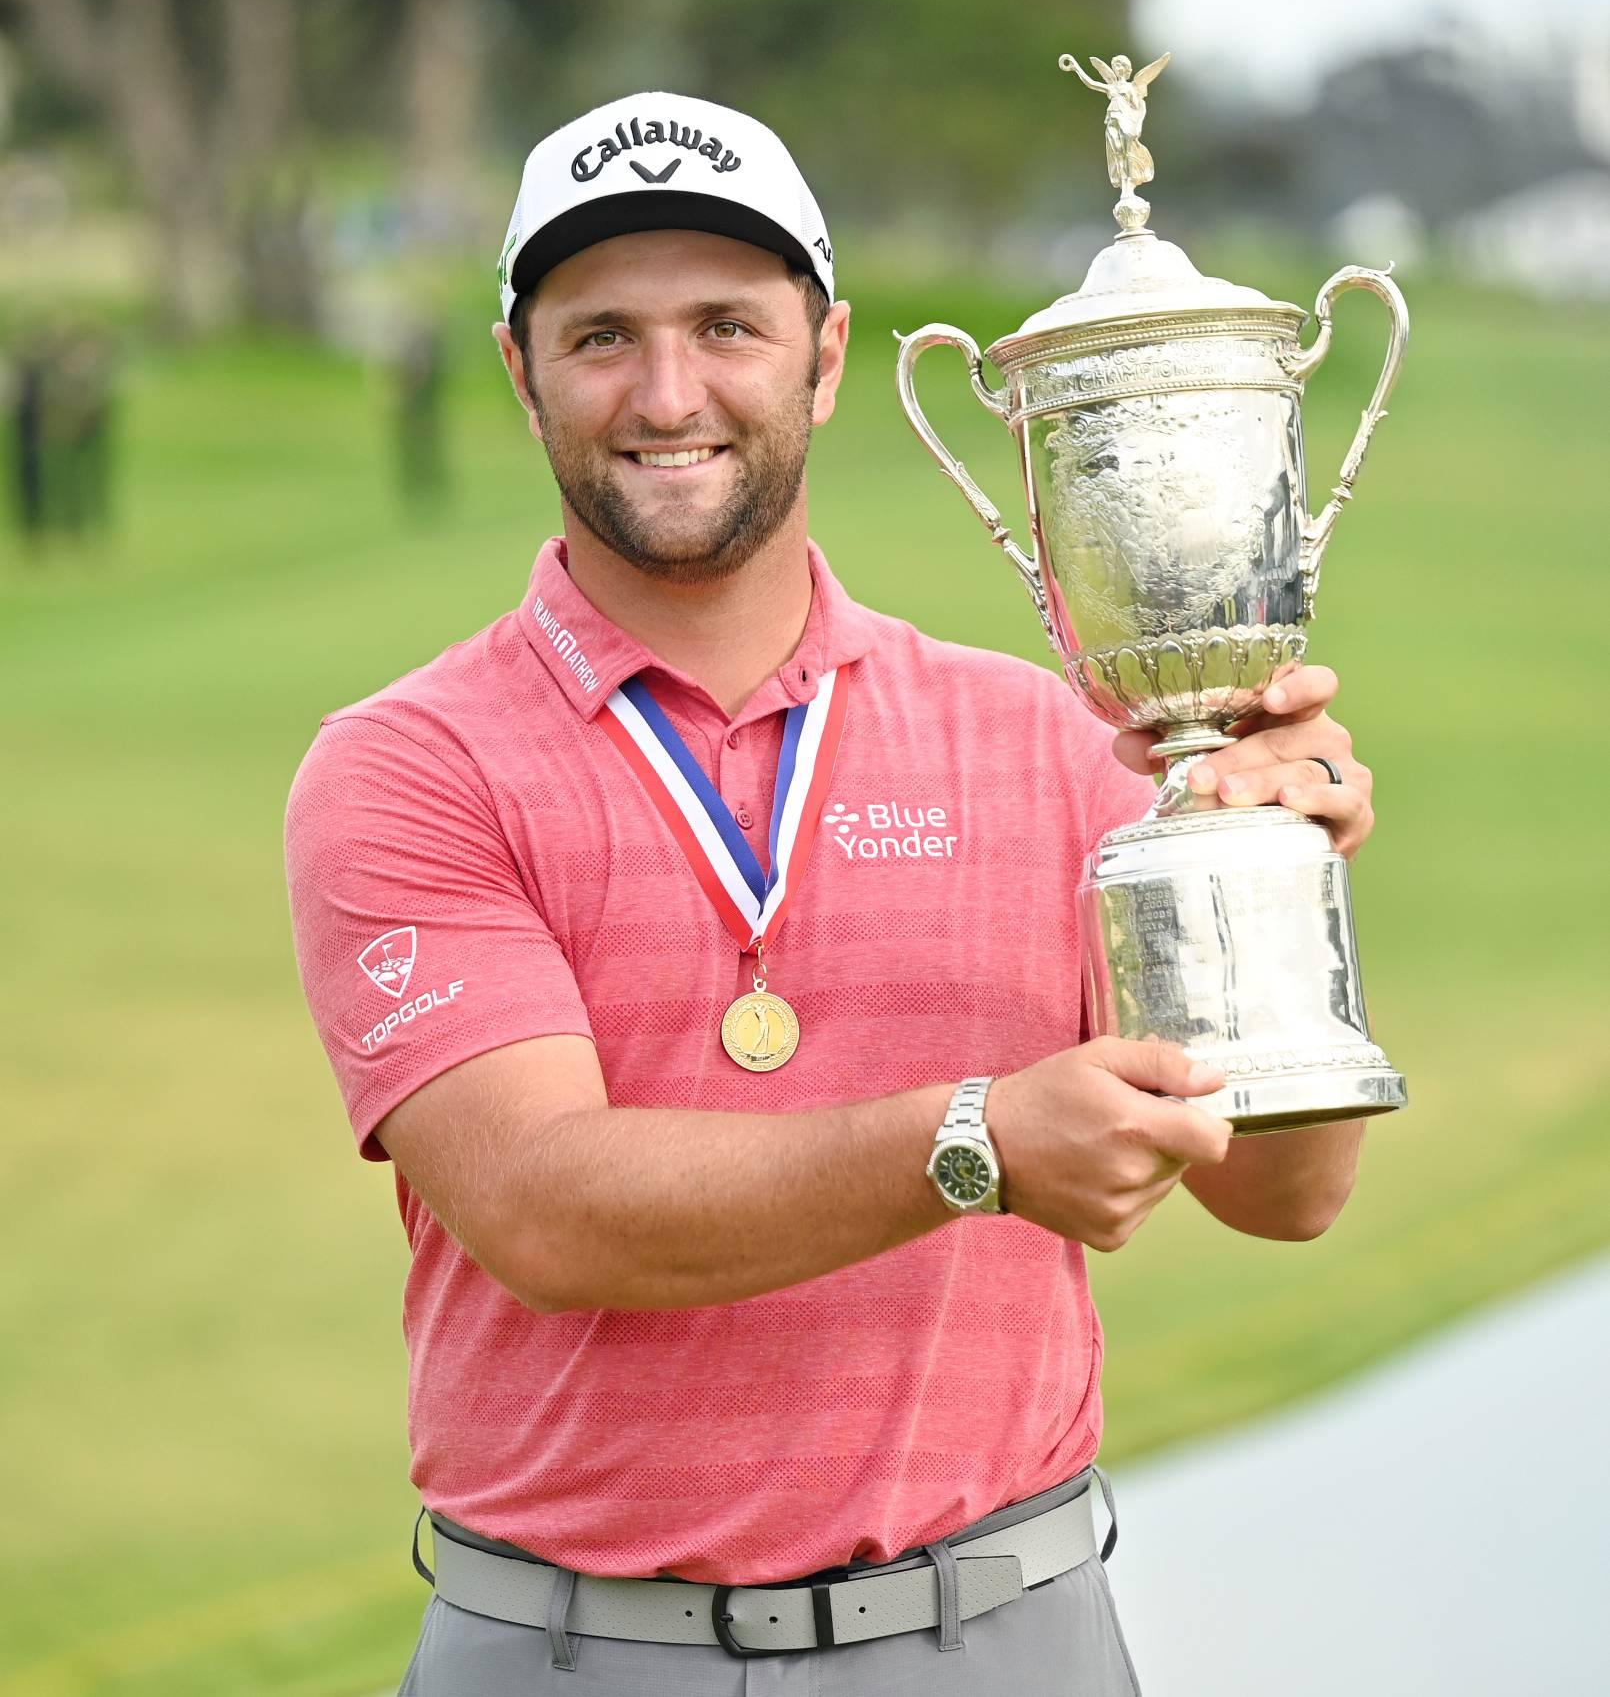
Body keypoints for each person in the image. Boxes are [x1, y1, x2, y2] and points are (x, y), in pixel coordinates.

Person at [285, 91, 1377, 1695]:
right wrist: (976, 1142)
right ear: (519, 372)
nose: (668, 394)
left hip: (1008, 1627)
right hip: (576, 1650)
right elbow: (542, 1209)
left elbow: (1285, 1197)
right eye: (602, 337)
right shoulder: (406, 766)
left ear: (828, 352)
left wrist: (1271, 882)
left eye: (728, 323)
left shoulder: (1052, 736)